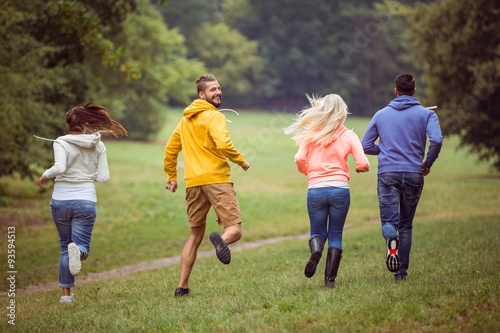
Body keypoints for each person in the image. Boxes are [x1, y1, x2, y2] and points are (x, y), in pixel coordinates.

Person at [163, 74, 250, 297]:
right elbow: (223, 143)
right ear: (202, 95)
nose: (218, 92)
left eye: (219, 88)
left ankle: (182, 288)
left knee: (194, 236)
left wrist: (172, 176)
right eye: (213, 90)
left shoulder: (185, 121)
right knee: (235, 230)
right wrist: (241, 160)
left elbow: (170, 150)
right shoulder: (214, 117)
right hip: (217, 180)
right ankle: (221, 241)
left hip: (193, 184)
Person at [38, 102, 127, 303]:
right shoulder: (99, 145)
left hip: (60, 199)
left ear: (68, 124)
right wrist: (87, 175)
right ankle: (78, 251)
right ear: (86, 123)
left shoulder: (60, 142)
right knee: (79, 246)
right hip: (85, 199)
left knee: (64, 246)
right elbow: (103, 177)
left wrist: (45, 175)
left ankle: (66, 297)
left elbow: (59, 168)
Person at [361, 73, 443, 281]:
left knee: (390, 221)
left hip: (388, 173)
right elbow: (437, 140)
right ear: (414, 91)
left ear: (395, 91)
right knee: (406, 225)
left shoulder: (381, 114)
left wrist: (386, 151)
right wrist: (427, 163)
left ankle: (391, 239)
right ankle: (401, 273)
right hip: (415, 173)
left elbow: (365, 146)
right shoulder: (427, 114)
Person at [284, 94, 370, 288]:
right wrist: (362, 168)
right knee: (336, 235)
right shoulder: (349, 135)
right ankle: (329, 281)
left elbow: (298, 159)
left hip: (315, 189)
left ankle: (316, 251)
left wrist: (309, 172)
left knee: (317, 231)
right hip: (340, 189)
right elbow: (363, 162)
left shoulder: (311, 134)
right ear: (342, 112)